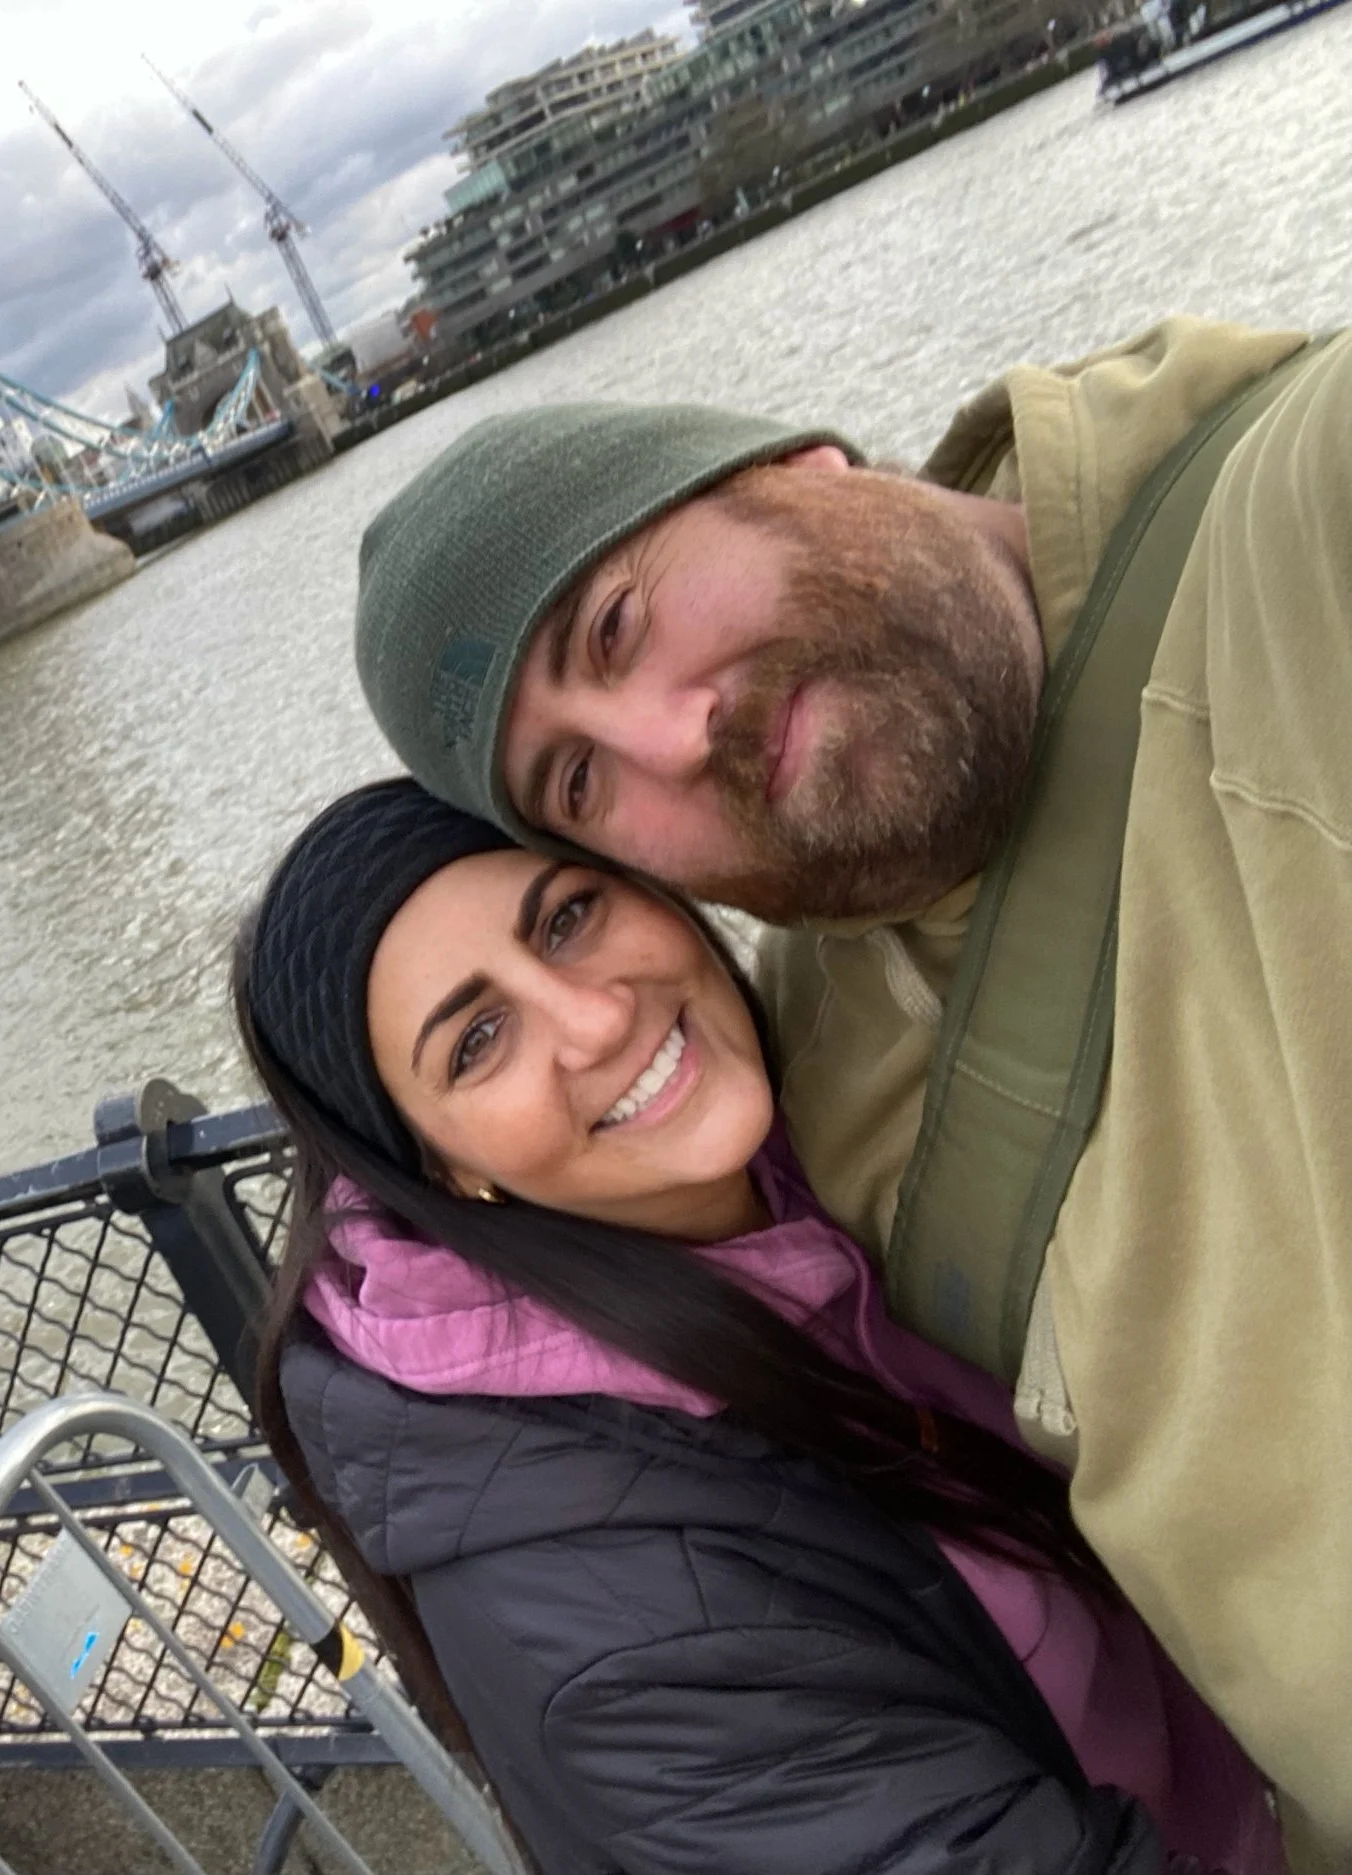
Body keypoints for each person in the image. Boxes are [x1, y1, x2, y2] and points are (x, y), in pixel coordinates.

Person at [347, 320, 1350, 1856]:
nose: (670, 736)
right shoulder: (804, 1078)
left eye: (617, 626)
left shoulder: (1296, 535)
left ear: (792, 463)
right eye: (579, 786)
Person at [235, 779, 1280, 1871]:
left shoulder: (818, 1143)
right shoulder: (625, 1632)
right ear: (443, 1172)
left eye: (567, 916)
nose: (594, 1018)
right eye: (478, 1039)